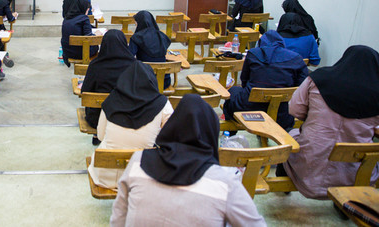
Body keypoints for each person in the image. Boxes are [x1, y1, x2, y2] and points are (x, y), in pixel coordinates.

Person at [110, 94, 266, 226]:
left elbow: (118, 218)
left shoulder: (138, 161)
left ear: (171, 126)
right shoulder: (224, 183)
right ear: (211, 135)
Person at [281, 46, 379, 199]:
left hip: (308, 168)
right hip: (355, 176)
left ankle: (283, 175)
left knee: (290, 136)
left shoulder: (319, 78)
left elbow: (294, 110)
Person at [88, 61, 174, 190]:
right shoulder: (162, 104)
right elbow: (171, 137)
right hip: (144, 176)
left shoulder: (112, 99)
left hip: (106, 174)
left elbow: (100, 135)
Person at [223, 30, 308, 130]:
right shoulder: (296, 58)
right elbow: (301, 87)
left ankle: (230, 134)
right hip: (282, 113)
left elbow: (244, 80)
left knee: (233, 91)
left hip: (248, 110)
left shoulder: (253, 54)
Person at [81, 30, 135, 135]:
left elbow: (85, 91)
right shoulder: (134, 65)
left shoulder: (95, 65)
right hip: (127, 116)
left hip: (97, 119)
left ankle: (98, 135)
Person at [129, 10, 172, 88]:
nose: (135, 24)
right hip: (163, 81)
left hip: (144, 82)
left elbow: (129, 56)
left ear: (140, 23)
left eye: (136, 22)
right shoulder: (162, 36)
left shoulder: (136, 38)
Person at [61, 0, 98, 67]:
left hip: (67, 52)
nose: (87, 12)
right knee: (97, 45)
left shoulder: (66, 18)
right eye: (87, 10)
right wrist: (96, 34)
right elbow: (88, 37)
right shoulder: (84, 18)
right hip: (82, 53)